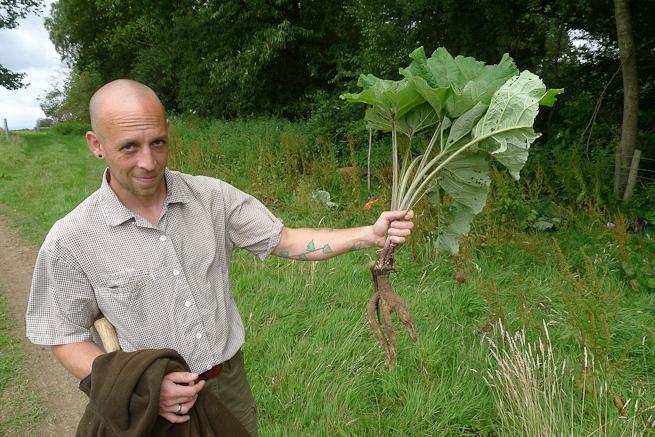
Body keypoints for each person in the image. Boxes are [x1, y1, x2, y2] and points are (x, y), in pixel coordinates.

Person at [25, 79, 414, 435]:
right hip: (150, 404)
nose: (148, 162)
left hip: (227, 384)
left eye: (157, 142)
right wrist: (141, 386)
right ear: (96, 144)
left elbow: (286, 239)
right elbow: (65, 336)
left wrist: (368, 234)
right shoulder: (72, 238)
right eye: (129, 147)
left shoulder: (211, 198)